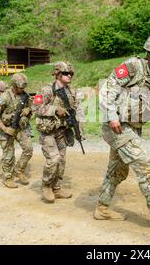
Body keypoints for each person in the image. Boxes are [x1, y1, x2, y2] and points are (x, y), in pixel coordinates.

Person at [94, 33, 150, 233]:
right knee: (148, 167)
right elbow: (107, 88)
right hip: (118, 127)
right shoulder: (133, 66)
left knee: (117, 171)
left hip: (131, 128)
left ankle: (102, 208)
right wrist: (111, 116)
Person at [33, 62, 83, 203]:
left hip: (62, 131)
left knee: (61, 161)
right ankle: (47, 186)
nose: (69, 76)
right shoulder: (47, 90)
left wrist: (79, 127)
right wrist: (54, 109)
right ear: (58, 74)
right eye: (66, 73)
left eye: (71, 73)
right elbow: (36, 108)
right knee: (53, 159)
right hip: (48, 132)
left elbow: (77, 109)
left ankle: (56, 188)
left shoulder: (71, 91)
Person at [0, 73, 33, 188]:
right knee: (8, 154)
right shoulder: (4, 97)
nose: (22, 89)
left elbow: (31, 108)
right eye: (20, 87)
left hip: (20, 128)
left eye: (24, 87)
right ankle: (8, 177)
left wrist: (28, 109)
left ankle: (19, 170)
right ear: (13, 85)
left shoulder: (25, 96)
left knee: (28, 149)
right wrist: (4, 128)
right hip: (7, 129)